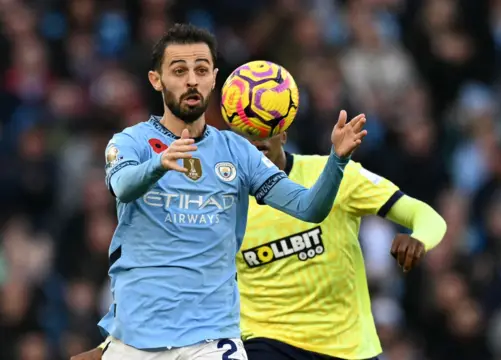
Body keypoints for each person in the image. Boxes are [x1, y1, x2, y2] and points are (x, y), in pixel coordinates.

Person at [81, 23, 366, 360]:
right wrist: (159, 164)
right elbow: (123, 187)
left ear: (214, 79)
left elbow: (308, 208)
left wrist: (337, 160)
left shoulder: (238, 151)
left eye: (201, 70)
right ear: (156, 80)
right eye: (179, 70)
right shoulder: (131, 141)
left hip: (212, 338)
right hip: (136, 337)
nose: (191, 80)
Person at [237, 133, 447, 359]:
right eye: (245, 129)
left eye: (266, 125)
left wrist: (419, 239)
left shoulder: (335, 174)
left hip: (348, 346)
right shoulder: (220, 200)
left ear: (284, 134)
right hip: (267, 342)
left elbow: (424, 215)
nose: (256, 135)